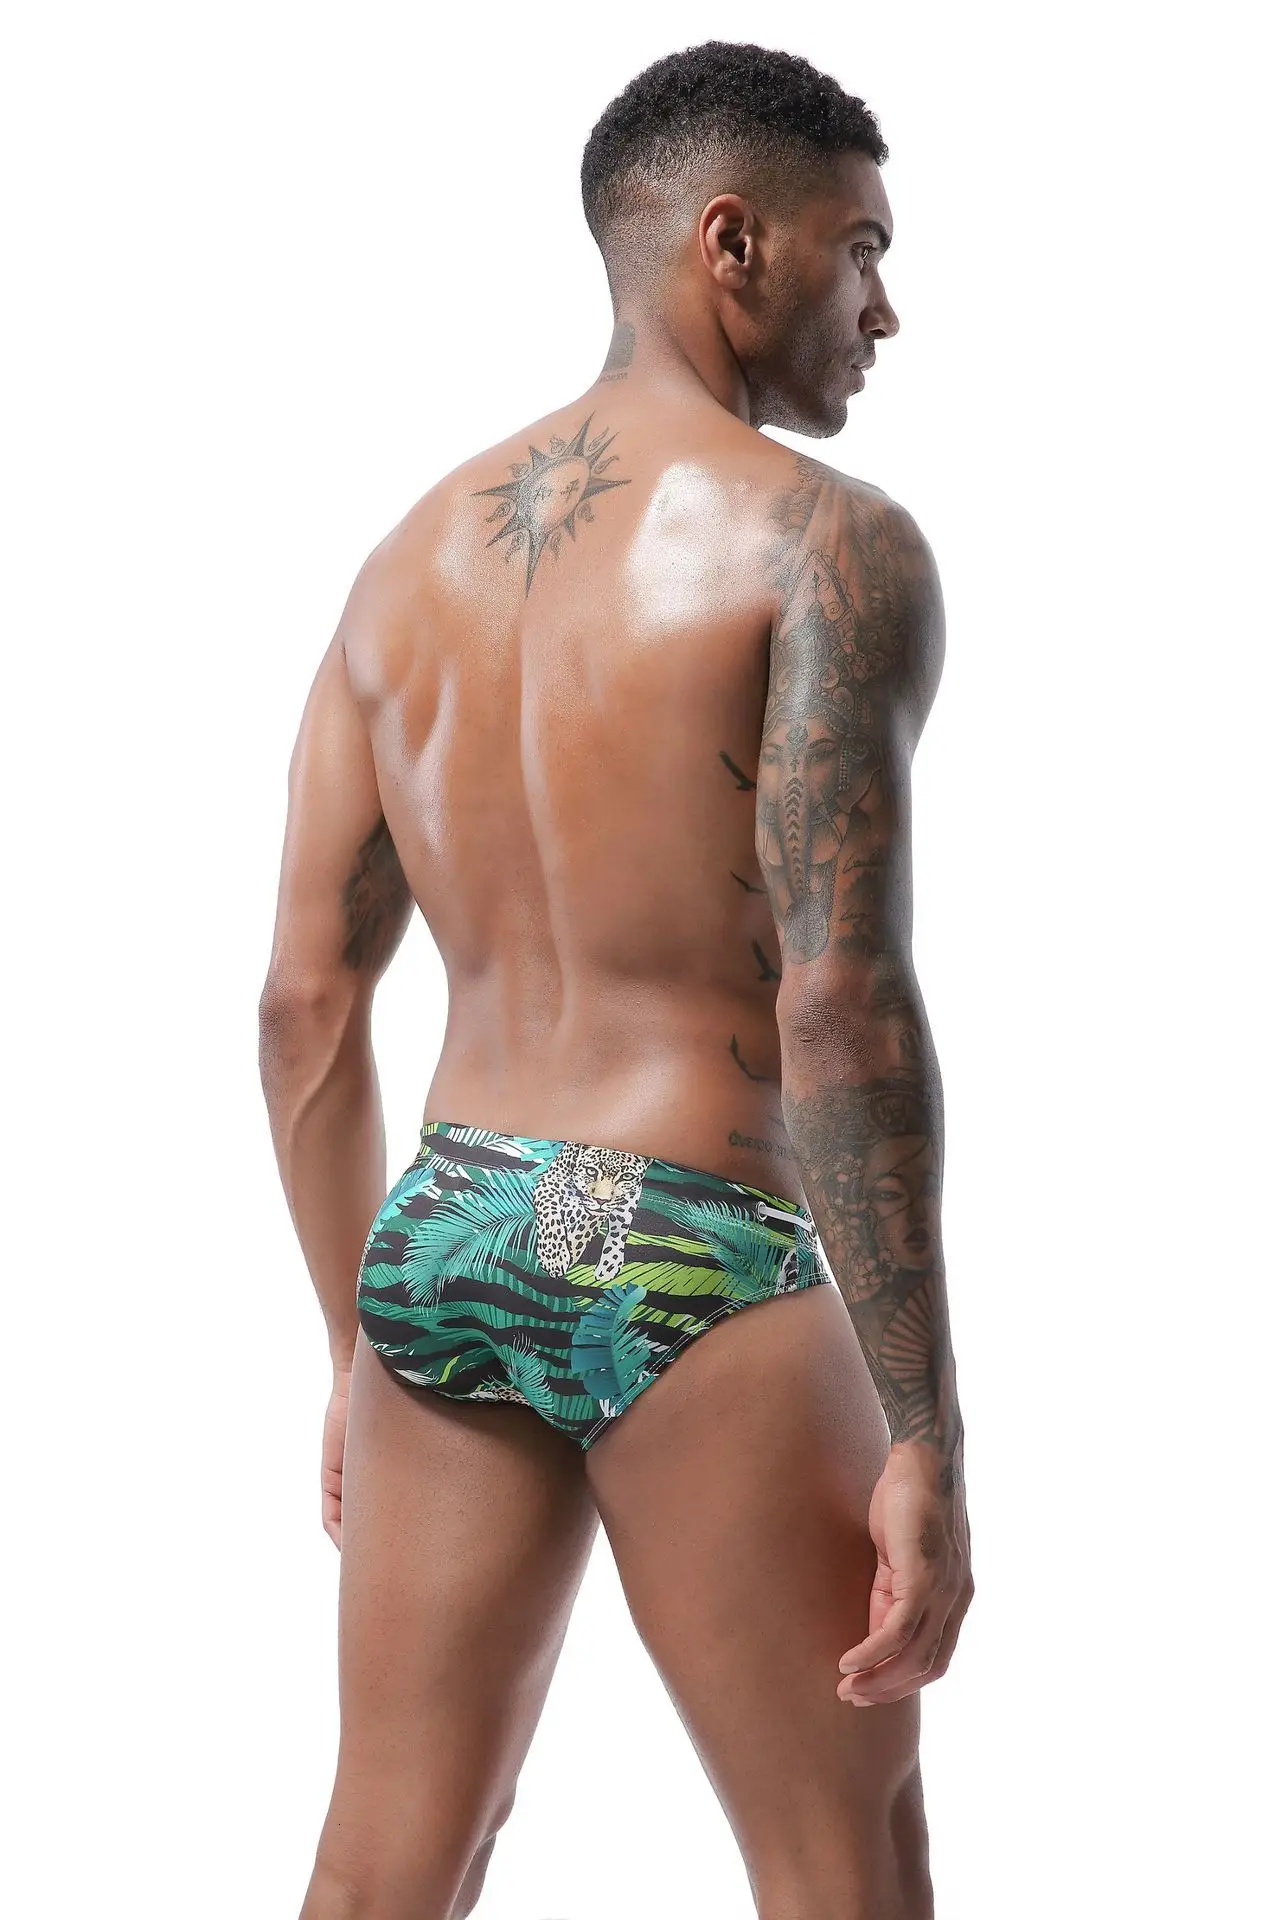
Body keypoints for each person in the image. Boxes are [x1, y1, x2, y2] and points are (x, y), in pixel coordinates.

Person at [259, 38, 973, 1920]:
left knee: (388, 1863)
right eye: (860, 250)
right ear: (733, 243)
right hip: (690, 1238)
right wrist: (925, 1432)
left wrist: (356, 1340)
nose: (884, 309)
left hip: (449, 1237)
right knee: (848, 1868)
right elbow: (840, 1003)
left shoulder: (403, 569)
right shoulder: (826, 545)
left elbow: (304, 1006)